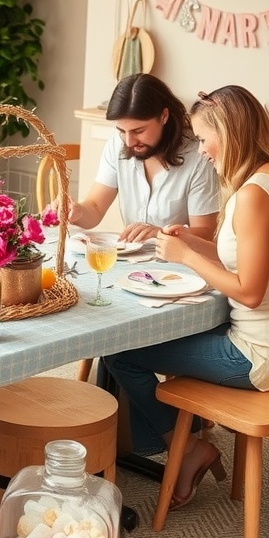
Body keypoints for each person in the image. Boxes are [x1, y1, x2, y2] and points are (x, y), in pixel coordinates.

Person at [102, 85, 269, 509]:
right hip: (258, 346)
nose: (204, 151)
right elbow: (244, 262)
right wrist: (193, 245)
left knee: (119, 353)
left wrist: (186, 257)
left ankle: (187, 447)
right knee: (129, 347)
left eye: (205, 139)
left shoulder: (251, 197)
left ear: (228, 134)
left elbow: (250, 292)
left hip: (254, 356)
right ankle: (180, 442)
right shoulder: (260, 184)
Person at [64, 73, 219, 242]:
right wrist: (77, 211)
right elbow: (94, 208)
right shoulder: (117, 144)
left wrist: (160, 234)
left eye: (139, 131)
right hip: (133, 262)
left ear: (164, 116)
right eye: (122, 131)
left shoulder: (198, 155)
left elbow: (207, 234)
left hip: (179, 265)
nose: (129, 142)